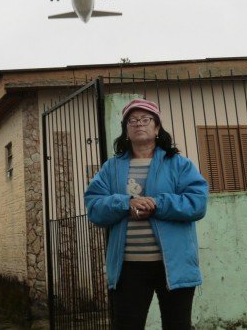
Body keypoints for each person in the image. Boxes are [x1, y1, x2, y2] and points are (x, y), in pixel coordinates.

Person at [84, 98, 208, 330]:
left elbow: (197, 203)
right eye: (132, 120)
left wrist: (157, 204)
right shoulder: (110, 168)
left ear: (157, 127)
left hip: (174, 265)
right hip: (128, 267)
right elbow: (94, 207)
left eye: (145, 119)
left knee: (177, 325)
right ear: (126, 130)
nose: (138, 124)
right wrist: (126, 203)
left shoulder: (179, 164)